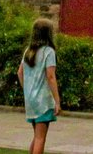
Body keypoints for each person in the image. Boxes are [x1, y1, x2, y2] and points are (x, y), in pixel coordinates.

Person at [17, 18, 61, 154]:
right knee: (41, 138)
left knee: (36, 136)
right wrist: (57, 101)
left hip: (30, 100)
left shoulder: (28, 51)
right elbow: (51, 76)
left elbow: (20, 72)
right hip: (43, 101)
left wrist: (27, 90)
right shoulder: (49, 52)